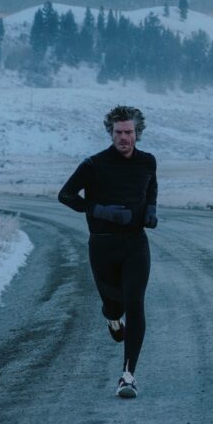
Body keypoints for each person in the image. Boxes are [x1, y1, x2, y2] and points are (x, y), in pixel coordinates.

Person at [58, 105, 158, 398]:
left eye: (128, 132)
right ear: (110, 133)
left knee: (135, 302)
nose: (123, 138)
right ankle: (112, 317)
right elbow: (65, 195)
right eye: (118, 133)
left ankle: (128, 376)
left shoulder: (148, 162)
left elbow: (151, 187)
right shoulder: (94, 164)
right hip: (102, 245)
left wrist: (151, 210)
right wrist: (100, 210)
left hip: (135, 244)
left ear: (137, 133)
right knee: (115, 304)